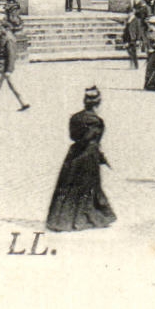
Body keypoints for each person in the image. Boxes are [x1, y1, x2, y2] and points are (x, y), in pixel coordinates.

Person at [45, 87, 115, 233]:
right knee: (89, 186)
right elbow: (91, 139)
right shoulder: (97, 121)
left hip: (74, 154)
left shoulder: (75, 118)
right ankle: (85, 218)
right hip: (89, 156)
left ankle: (60, 218)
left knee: (68, 185)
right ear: (98, 103)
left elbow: (73, 136)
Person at [0, 17, 30, 112]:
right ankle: (24, 102)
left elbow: (11, 55)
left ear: (6, 28)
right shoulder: (5, 37)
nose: (0, 29)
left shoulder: (9, 39)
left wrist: (9, 69)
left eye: (2, 27)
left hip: (3, 67)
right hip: (2, 66)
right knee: (12, 85)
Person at [121, 3, 148, 69]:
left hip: (133, 38)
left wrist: (138, 39)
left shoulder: (136, 20)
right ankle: (132, 64)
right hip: (127, 37)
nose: (129, 14)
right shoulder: (128, 20)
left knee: (133, 52)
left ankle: (135, 65)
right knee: (129, 51)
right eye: (128, 13)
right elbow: (126, 29)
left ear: (133, 13)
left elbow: (139, 30)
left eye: (130, 13)